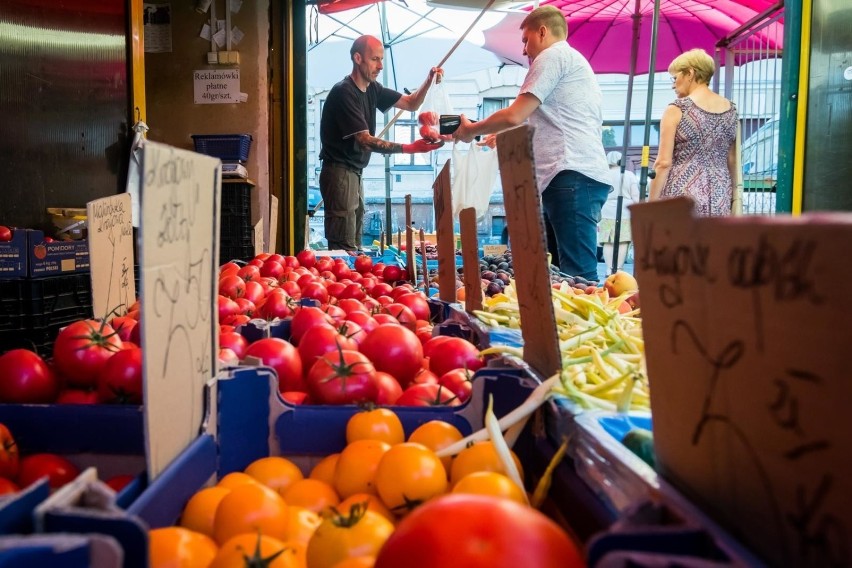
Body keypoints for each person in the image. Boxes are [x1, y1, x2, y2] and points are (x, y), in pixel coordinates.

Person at [453, 6, 610, 282]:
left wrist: (471, 130)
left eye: (526, 40)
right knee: (563, 274)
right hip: (571, 176)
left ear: (543, 31)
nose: (524, 50)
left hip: (571, 175)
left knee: (580, 276)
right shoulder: (571, 61)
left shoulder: (552, 56)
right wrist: (501, 137)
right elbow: (556, 120)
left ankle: (580, 324)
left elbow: (515, 113)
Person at [319, 35, 444, 250]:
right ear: (358, 58)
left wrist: (429, 80)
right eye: (375, 59)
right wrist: (410, 148)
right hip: (339, 172)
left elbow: (412, 103)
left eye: (382, 59)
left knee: (354, 243)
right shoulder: (344, 92)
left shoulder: (373, 88)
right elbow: (365, 140)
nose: (381, 66)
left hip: (355, 173)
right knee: (343, 246)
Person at [649, 48, 739, 216]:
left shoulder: (677, 109)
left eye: (675, 78)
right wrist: (734, 198)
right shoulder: (731, 110)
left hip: (682, 194)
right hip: (720, 194)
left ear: (689, 73)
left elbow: (663, 163)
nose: (673, 84)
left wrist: (650, 206)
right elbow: (732, 160)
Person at [600, 151, 640, 276]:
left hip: (606, 210)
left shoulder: (603, 174)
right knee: (623, 240)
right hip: (625, 211)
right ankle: (619, 268)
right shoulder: (629, 175)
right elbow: (635, 196)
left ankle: (608, 269)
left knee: (607, 240)